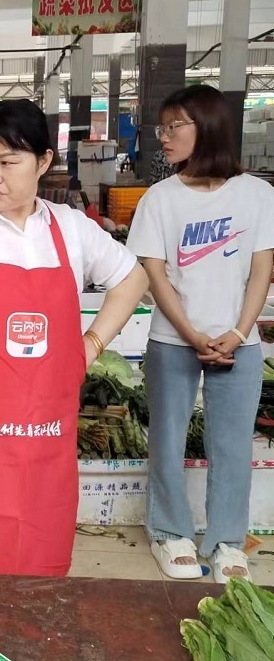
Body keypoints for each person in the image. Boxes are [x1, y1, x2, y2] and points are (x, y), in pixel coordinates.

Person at [0, 99, 148, 575]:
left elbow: (133, 279)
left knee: (43, 586)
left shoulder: (70, 230)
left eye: (8, 162)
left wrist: (91, 344)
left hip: (48, 455)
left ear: (43, 162)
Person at [126, 85, 274, 584]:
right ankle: (170, 532)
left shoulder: (257, 195)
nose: (163, 137)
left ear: (207, 128)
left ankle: (228, 541)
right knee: (166, 438)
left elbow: (261, 270)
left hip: (241, 343)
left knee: (232, 443)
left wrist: (238, 331)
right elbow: (154, 272)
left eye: (175, 127)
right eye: (162, 127)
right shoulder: (158, 200)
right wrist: (190, 333)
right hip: (173, 340)